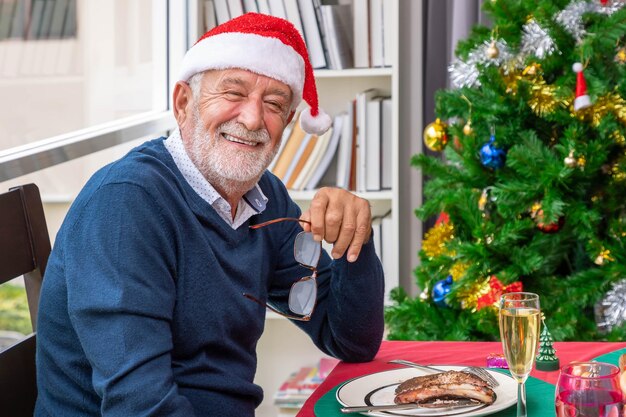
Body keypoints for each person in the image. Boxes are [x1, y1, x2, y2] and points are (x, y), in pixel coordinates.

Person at [35, 13, 385, 417]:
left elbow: (351, 340)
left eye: (273, 104)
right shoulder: (125, 205)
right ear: (183, 103)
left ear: (287, 123)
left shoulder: (263, 197)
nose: (253, 119)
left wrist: (353, 237)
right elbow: (140, 406)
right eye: (233, 93)